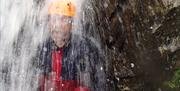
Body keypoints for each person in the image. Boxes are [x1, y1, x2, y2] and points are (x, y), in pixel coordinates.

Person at [36, 0, 106, 91]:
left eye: (63, 19)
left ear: (71, 23)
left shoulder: (86, 48)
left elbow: (98, 84)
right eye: (54, 19)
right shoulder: (42, 50)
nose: (57, 25)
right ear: (49, 22)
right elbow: (33, 83)